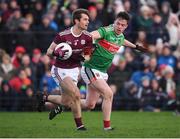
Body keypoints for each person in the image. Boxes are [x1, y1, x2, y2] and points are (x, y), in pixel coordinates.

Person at [48, 11, 148, 130]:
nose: (120, 27)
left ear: (126, 26)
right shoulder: (106, 31)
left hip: (102, 72)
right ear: (114, 22)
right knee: (108, 93)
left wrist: (136, 47)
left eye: (123, 25)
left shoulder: (120, 36)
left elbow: (122, 41)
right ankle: (107, 127)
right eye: (118, 24)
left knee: (90, 104)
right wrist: (88, 48)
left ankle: (61, 103)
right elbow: (90, 36)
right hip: (91, 68)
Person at [36, 8, 93, 131]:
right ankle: (80, 126)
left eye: (88, 19)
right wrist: (58, 53)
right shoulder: (63, 35)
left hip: (74, 70)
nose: (88, 22)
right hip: (59, 69)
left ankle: (44, 98)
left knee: (66, 102)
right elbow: (48, 52)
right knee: (77, 94)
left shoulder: (88, 37)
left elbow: (87, 57)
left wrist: (84, 56)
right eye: (85, 19)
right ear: (76, 21)